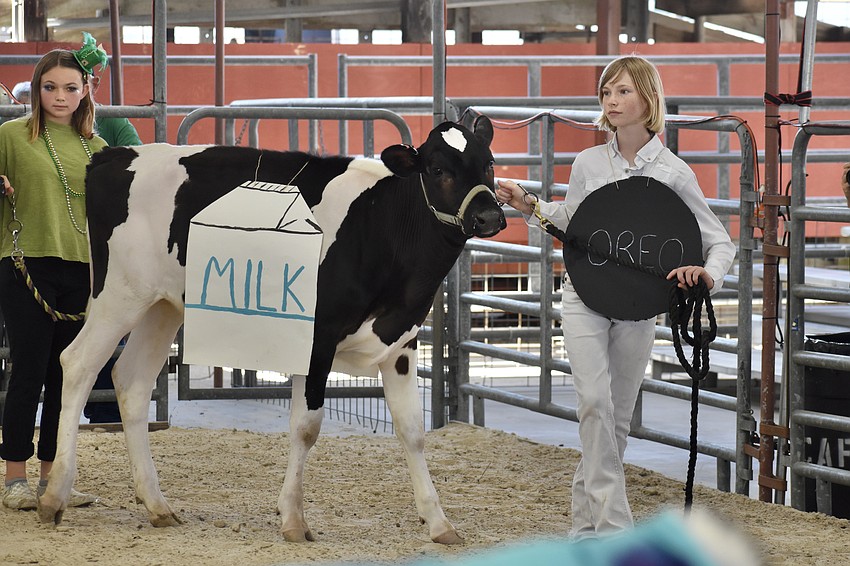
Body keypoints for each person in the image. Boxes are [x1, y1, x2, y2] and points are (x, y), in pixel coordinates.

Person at [496, 55, 736, 537]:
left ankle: (585, 531)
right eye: (607, 92)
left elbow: (720, 242)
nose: (612, 100)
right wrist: (531, 205)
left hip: (638, 306)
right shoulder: (588, 162)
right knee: (593, 405)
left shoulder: (673, 173)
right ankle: (614, 530)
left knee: (616, 419)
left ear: (648, 98)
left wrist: (705, 275)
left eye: (623, 91)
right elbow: (575, 225)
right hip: (585, 295)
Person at [0, 37, 109, 510]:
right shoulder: (10, 136)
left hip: (80, 269)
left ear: (85, 90)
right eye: (49, 87)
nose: (60, 97)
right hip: (25, 260)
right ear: (37, 90)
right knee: (26, 367)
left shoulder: (99, 149)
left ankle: (53, 476)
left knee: (66, 376)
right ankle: (14, 479)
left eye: (69, 87)